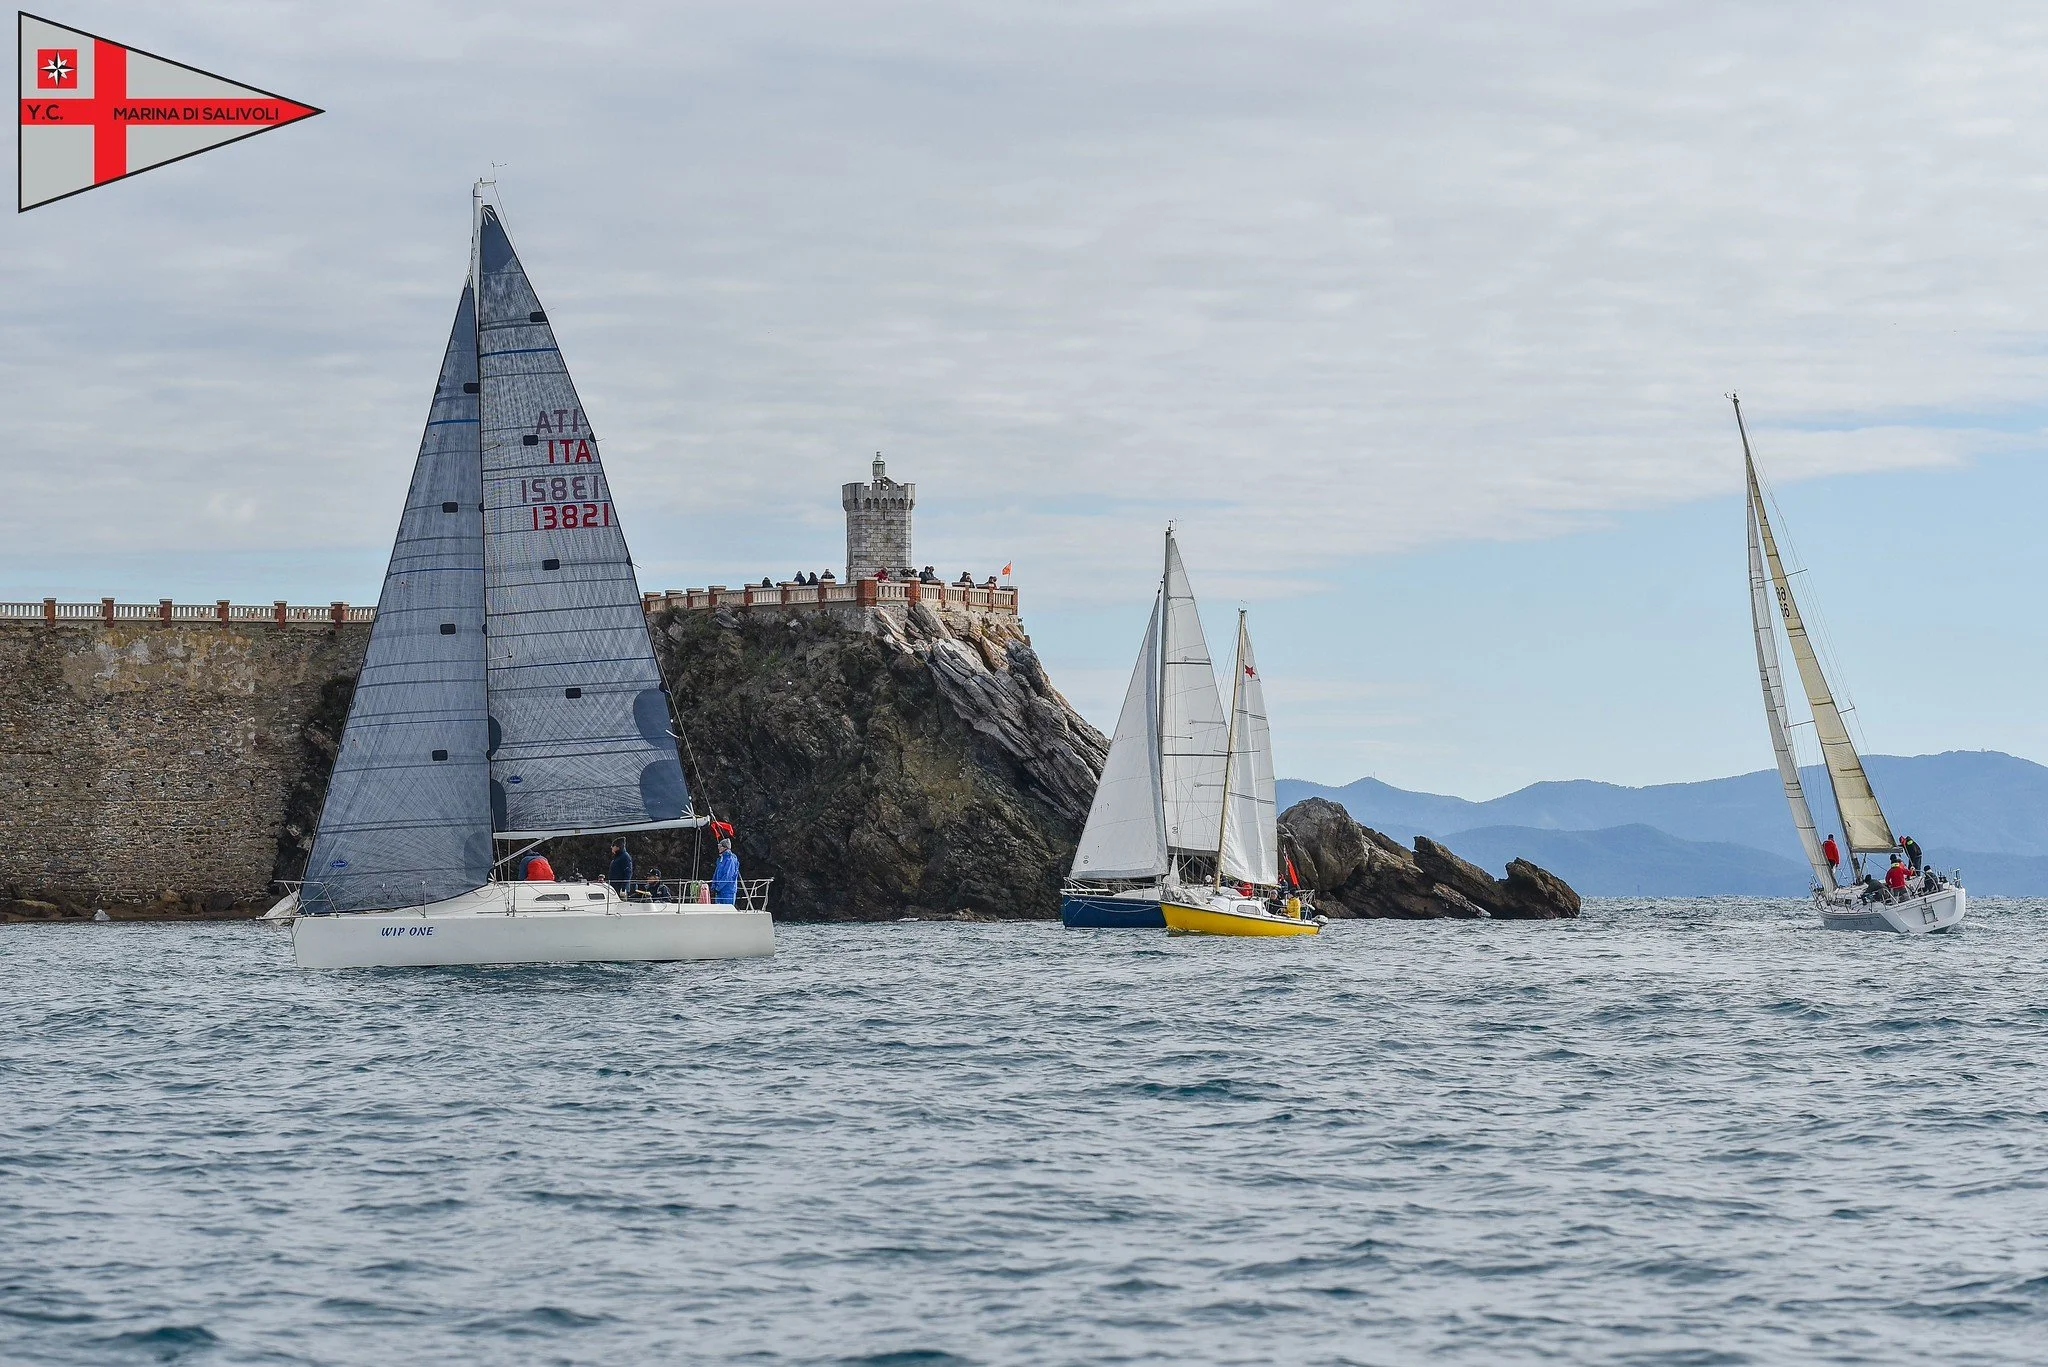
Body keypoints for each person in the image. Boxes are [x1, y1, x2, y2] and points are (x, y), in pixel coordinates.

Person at [710, 837, 740, 905]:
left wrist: (718, 887)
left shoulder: (730, 859)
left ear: (725, 848)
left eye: (720, 846)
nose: (718, 848)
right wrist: (713, 886)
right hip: (719, 891)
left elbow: (728, 876)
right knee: (719, 910)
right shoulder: (720, 859)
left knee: (727, 910)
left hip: (728, 891)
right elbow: (716, 873)